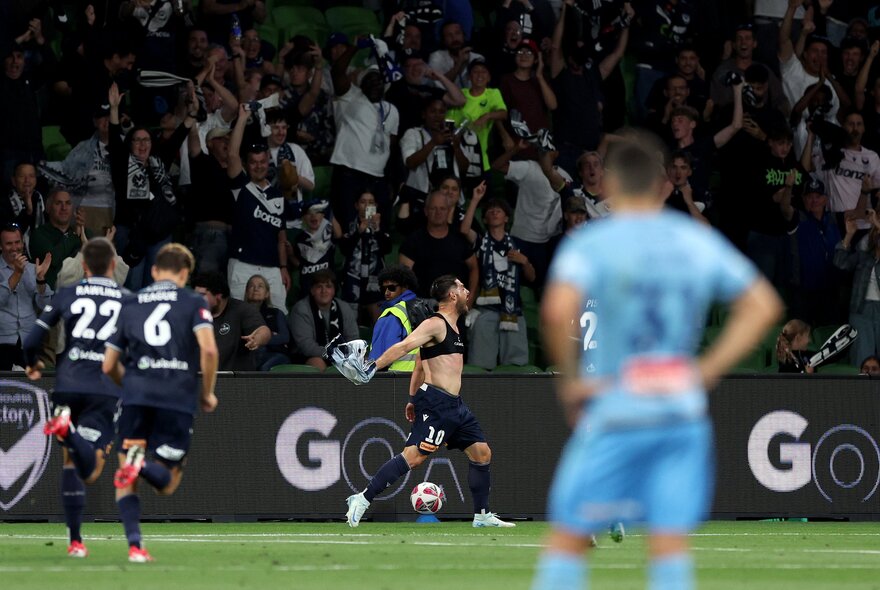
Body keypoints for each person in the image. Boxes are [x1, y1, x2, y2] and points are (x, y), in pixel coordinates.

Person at [535, 133, 783, 590]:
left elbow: (555, 311)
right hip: (680, 413)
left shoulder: (592, 242)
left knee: (569, 539)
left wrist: (570, 382)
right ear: (663, 185)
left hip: (616, 408)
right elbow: (763, 305)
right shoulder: (692, 239)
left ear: (609, 183)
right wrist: (706, 370)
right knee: (668, 546)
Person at [342, 275, 516, 529]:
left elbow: (419, 364)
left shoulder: (453, 326)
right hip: (437, 405)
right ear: (453, 295)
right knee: (413, 458)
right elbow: (405, 346)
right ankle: (362, 498)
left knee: (482, 453)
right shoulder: (435, 323)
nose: (468, 292)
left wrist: (412, 398)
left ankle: (482, 515)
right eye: (463, 287)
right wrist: (372, 366)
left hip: (455, 406)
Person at [102, 243, 218, 563]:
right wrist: (207, 392)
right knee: (167, 485)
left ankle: (135, 547)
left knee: (125, 472)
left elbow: (109, 363)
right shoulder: (194, 301)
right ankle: (142, 466)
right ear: (184, 274)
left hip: (136, 397)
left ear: (154, 271)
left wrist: (130, 385)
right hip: (176, 398)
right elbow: (208, 351)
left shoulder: (131, 302)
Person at [23, 237, 124, 559]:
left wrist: (32, 363)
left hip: (68, 382)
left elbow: (33, 338)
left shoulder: (68, 293)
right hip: (104, 388)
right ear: (112, 266)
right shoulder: (127, 298)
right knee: (92, 469)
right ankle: (67, 430)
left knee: (70, 461)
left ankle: (75, 540)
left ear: (82, 267)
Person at [192, 271, 271, 372]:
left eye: (202, 295)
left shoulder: (242, 309)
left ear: (218, 296)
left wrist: (256, 339)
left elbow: (264, 331)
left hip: (235, 382)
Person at [0, 223, 52, 369]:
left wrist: (40, 279)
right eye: (9, 243)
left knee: (32, 387)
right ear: (0, 246)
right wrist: (17, 273)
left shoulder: (33, 269)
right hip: (3, 341)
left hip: (28, 340)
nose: (15, 247)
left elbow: (45, 306)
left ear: (23, 243)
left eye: (17, 242)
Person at [834, 211, 880, 365]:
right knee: (862, 358)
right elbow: (841, 263)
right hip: (861, 309)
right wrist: (849, 235)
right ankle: (860, 389)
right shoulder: (864, 253)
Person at [288, 269, 358, 370]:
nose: (324, 291)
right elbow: (307, 347)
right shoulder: (301, 309)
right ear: (312, 290)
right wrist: (335, 355)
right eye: (319, 287)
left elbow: (353, 338)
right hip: (307, 356)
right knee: (318, 363)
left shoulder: (344, 307)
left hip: (341, 355)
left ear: (334, 290)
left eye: (328, 286)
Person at [370, 264, 421, 369]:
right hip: (422, 378)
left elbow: (379, 357)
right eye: (383, 288)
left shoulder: (392, 314)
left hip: (394, 380)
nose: (387, 292)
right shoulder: (423, 307)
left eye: (392, 288)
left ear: (405, 286)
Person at [244, 273, 291, 371]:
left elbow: (284, 337)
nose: (256, 289)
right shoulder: (240, 313)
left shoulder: (277, 313)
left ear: (267, 294)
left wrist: (261, 338)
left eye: (260, 286)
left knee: (265, 367)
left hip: (276, 354)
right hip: (249, 354)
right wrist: (271, 335)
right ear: (247, 292)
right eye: (252, 286)